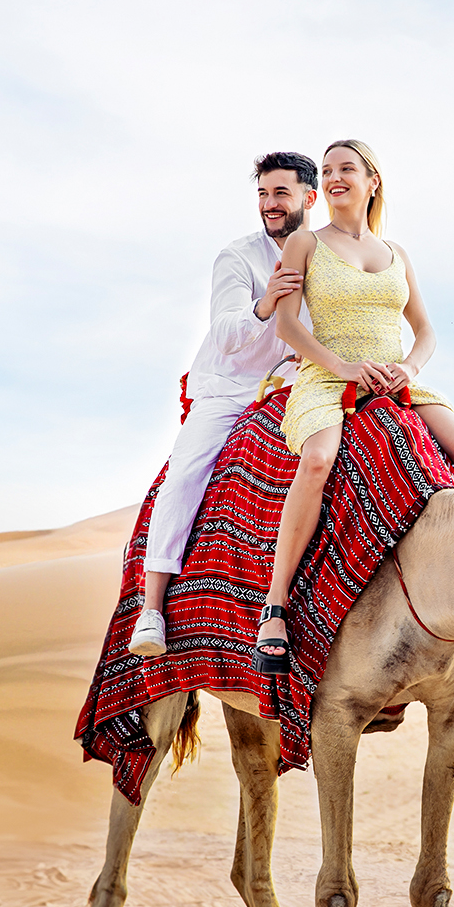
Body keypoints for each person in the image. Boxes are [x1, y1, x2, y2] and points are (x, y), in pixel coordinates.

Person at [252, 139, 454, 673]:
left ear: (371, 181)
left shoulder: (397, 253)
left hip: (395, 378)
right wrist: (343, 368)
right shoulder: (305, 243)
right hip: (328, 376)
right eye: (327, 170)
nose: (334, 177)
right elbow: (288, 325)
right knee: (316, 460)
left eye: (346, 169)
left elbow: (424, 331)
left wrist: (409, 368)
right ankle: (276, 604)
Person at [128, 151, 318, 657]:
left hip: (296, 386)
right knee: (186, 472)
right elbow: (228, 334)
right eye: (263, 194)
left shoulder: (329, 258)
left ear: (308, 198)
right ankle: (151, 609)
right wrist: (267, 301)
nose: (270, 204)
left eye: (281, 193)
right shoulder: (238, 258)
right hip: (229, 387)